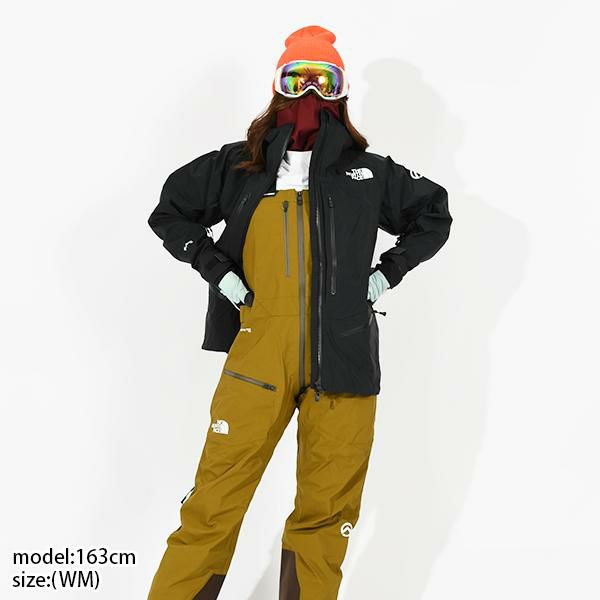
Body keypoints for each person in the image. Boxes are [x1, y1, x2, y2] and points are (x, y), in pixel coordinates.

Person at [146, 24, 452, 600]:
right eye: (298, 79)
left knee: (327, 512)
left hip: (345, 358)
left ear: (339, 91)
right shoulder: (239, 166)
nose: (309, 93)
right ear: (278, 87)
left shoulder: (369, 173)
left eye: (322, 81)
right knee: (214, 502)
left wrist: (387, 274)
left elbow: (434, 214)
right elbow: (170, 211)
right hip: (259, 355)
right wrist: (216, 269)